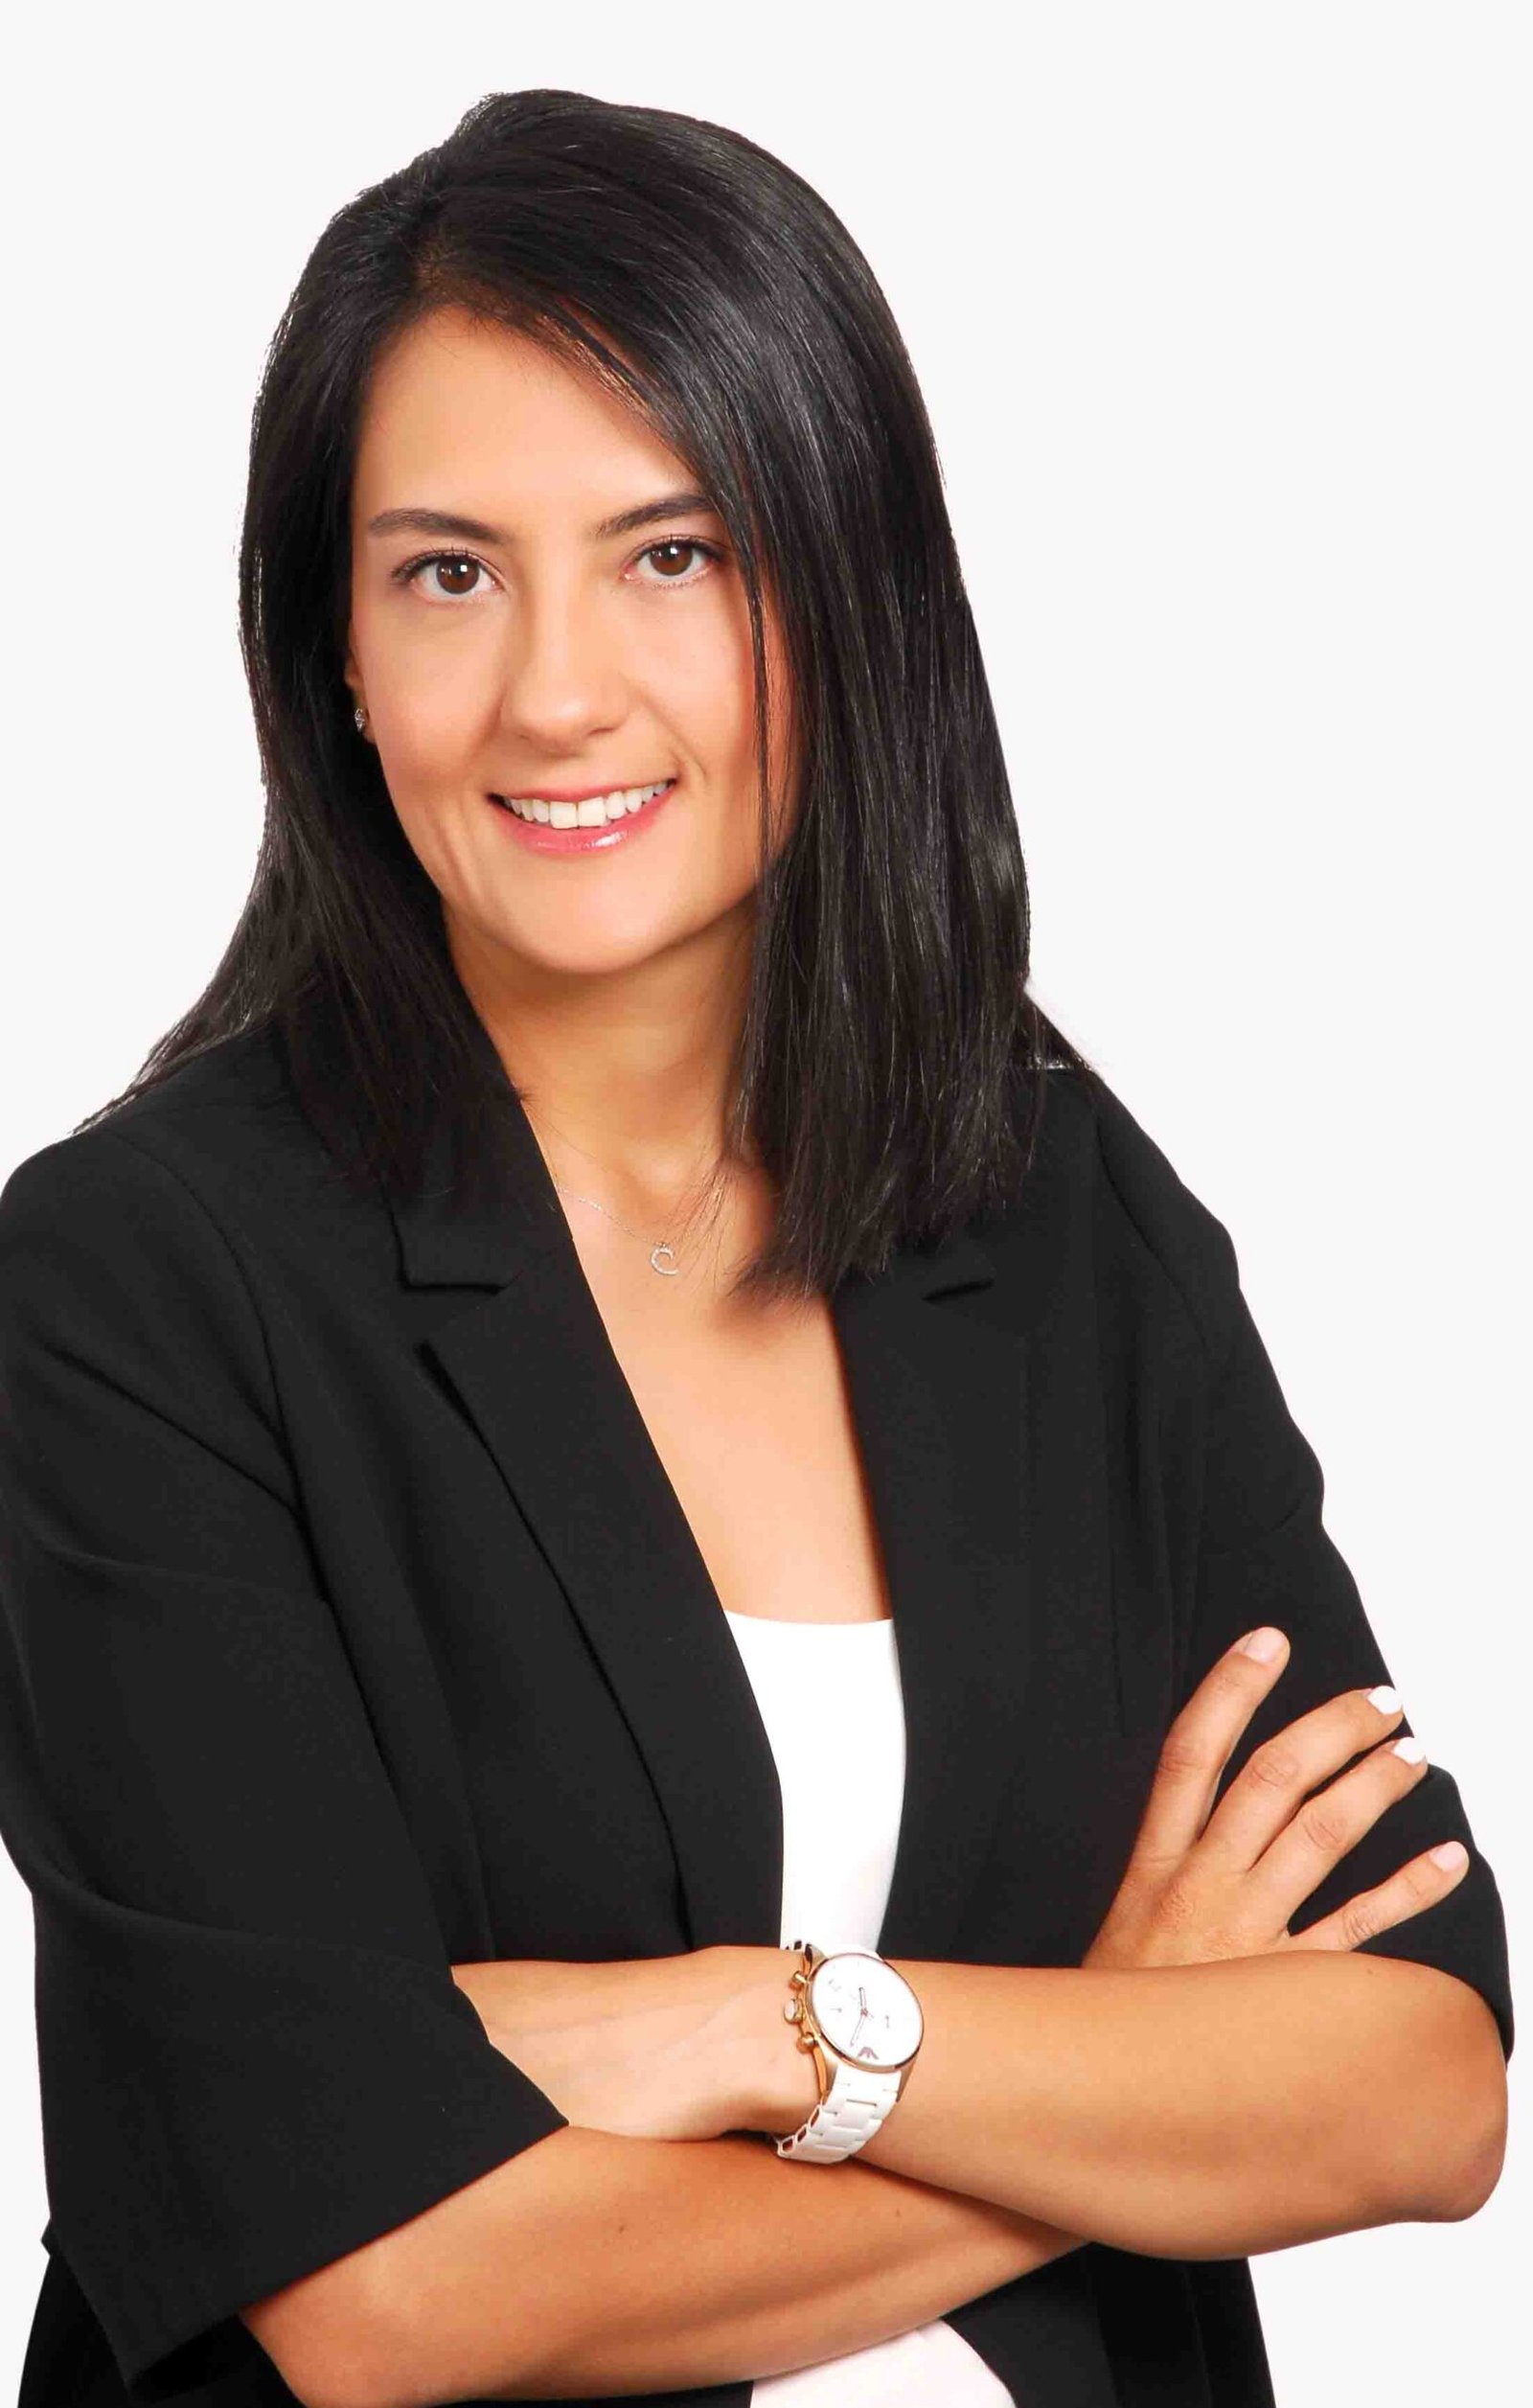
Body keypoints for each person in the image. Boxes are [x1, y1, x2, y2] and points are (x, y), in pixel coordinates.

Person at [0, 85, 1510, 2408]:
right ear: (333, 655)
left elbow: (1415, 2082)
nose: (555, 693)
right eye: (446, 573)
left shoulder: (1058, 1209)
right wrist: (1119, 2076)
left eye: (674, 555)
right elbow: (384, 2292)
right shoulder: (135, 1291)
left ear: (846, 596)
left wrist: (774, 2028)